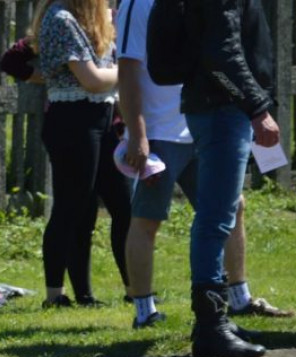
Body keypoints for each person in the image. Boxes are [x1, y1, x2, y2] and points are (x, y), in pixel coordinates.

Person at [115, 0, 293, 330]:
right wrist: (138, 134)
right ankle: (145, 311)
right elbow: (127, 69)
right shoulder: (135, 4)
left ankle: (239, 298)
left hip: (197, 123)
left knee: (232, 207)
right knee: (147, 218)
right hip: (160, 132)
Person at [176, 0, 281, 357]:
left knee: (221, 213)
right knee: (216, 218)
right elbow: (221, 52)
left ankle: (214, 319)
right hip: (223, 109)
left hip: (217, 106)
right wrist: (256, 107)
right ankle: (211, 327)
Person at [31, 0, 133, 308]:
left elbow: (104, 75)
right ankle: (55, 295)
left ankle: (135, 290)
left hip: (101, 119)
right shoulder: (60, 19)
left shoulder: (91, 20)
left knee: (124, 205)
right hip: (72, 121)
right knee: (72, 207)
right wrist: (130, 71)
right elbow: (91, 80)